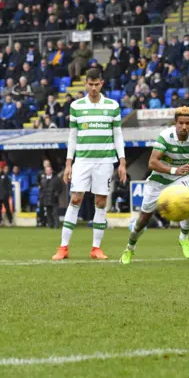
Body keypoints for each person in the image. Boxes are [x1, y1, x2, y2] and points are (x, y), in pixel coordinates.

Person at [54, 68, 127, 260]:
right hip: (83, 161)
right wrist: (69, 163)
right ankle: (63, 247)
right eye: (90, 84)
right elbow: (73, 136)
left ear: (102, 84)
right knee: (75, 199)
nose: (93, 88)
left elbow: (118, 135)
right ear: (85, 84)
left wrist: (122, 161)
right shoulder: (76, 106)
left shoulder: (112, 106)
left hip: (104, 161)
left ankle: (96, 248)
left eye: (97, 84)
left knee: (101, 202)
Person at [120, 106, 189, 264]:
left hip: (180, 179)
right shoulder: (166, 136)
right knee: (143, 220)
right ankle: (130, 248)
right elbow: (152, 163)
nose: (184, 127)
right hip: (158, 181)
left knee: (187, 206)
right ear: (175, 123)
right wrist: (175, 169)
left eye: (187, 123)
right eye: (181, 123)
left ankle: (184, 238)